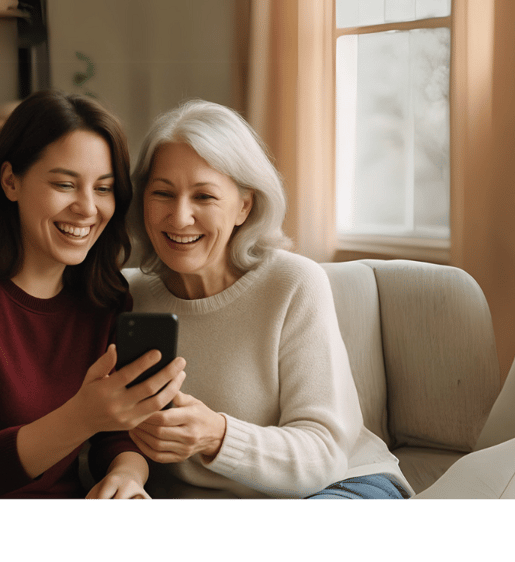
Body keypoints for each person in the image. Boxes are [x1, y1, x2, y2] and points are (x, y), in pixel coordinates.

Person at [0, 91, 186, 499]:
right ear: (10, 181)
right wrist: (83, 415)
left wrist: (127, 474)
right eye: (64, 184)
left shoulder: (104, 299)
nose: (87, 208)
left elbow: (115, 438)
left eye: (103, 188)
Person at [123, 99, 414, 500]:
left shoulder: (292, 283)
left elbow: (324, 454)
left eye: (204, 196)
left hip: (338, 484)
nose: (180, 216)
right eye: (163, 193)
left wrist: (217, 435)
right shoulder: (128, 296)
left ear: (245, 205)